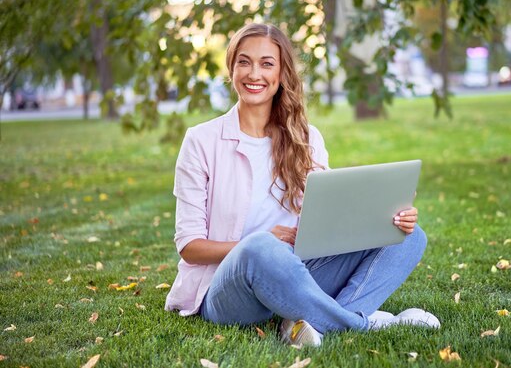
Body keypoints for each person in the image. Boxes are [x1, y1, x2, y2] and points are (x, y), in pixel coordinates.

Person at [164, 23, 440, 347]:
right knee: (260, 248)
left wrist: (385, 216)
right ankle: (363, 323)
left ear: (281, 74)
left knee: (408, 237)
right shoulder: (201, 141)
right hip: (225, 290)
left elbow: (331, 218)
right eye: (244, 61)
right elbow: (190, 247)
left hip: (297, 272)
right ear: (231, 67)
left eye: (267, 63)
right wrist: (261, 241)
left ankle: (303, 325)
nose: (254, 73)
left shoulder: (306, 138)